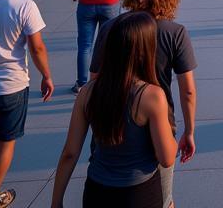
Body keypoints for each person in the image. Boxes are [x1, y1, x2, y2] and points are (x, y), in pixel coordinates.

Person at [89, 0, 198, 208]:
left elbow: (94, 80)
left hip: (112, 119)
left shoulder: (110, 28)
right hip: (158, 121)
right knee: (162, 196)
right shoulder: (175, 32)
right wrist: (189, 130)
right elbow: (187, 90)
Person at [50, 11, 177, 208]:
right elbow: (167, 158)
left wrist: (56, 202)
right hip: (138, 193)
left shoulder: (88, 92)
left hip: (97, 191)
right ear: (146, 49)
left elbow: (70, 152)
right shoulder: (151, 95)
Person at [0, 0, 53, 208]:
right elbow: (36, 48)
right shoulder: (24, 6)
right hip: (11, 84)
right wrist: (46, 75)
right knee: (6, 142)